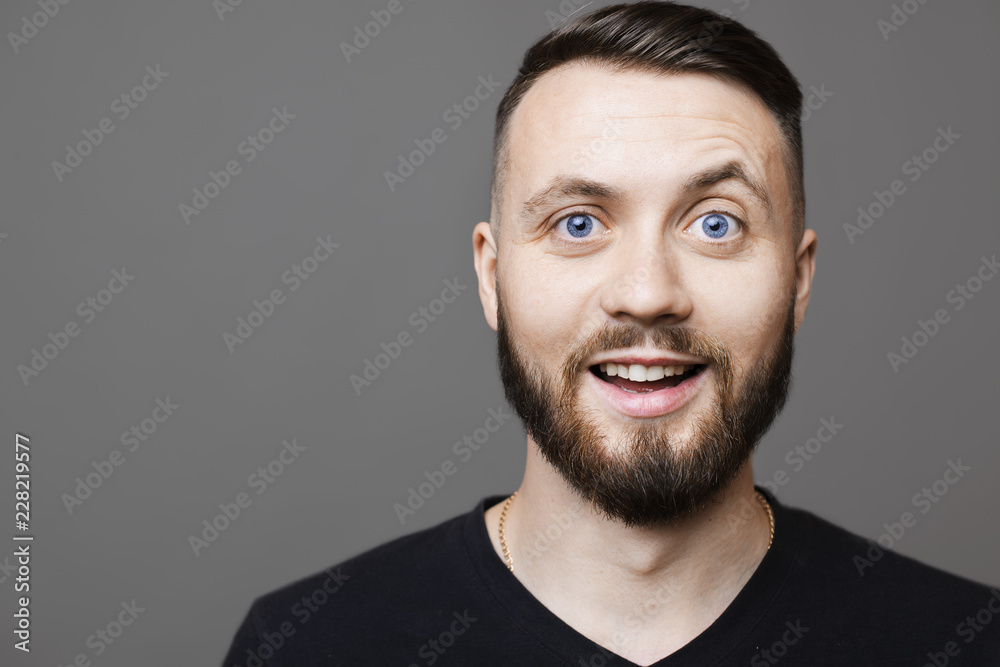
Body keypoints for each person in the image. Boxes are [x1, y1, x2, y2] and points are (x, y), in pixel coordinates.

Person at [222, 2, 1000, 664]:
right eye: (580, 222)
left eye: (716, 223)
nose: (647, 294)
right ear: (493, 276)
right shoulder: (307, 645)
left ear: (797, 280)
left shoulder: (966, 641)